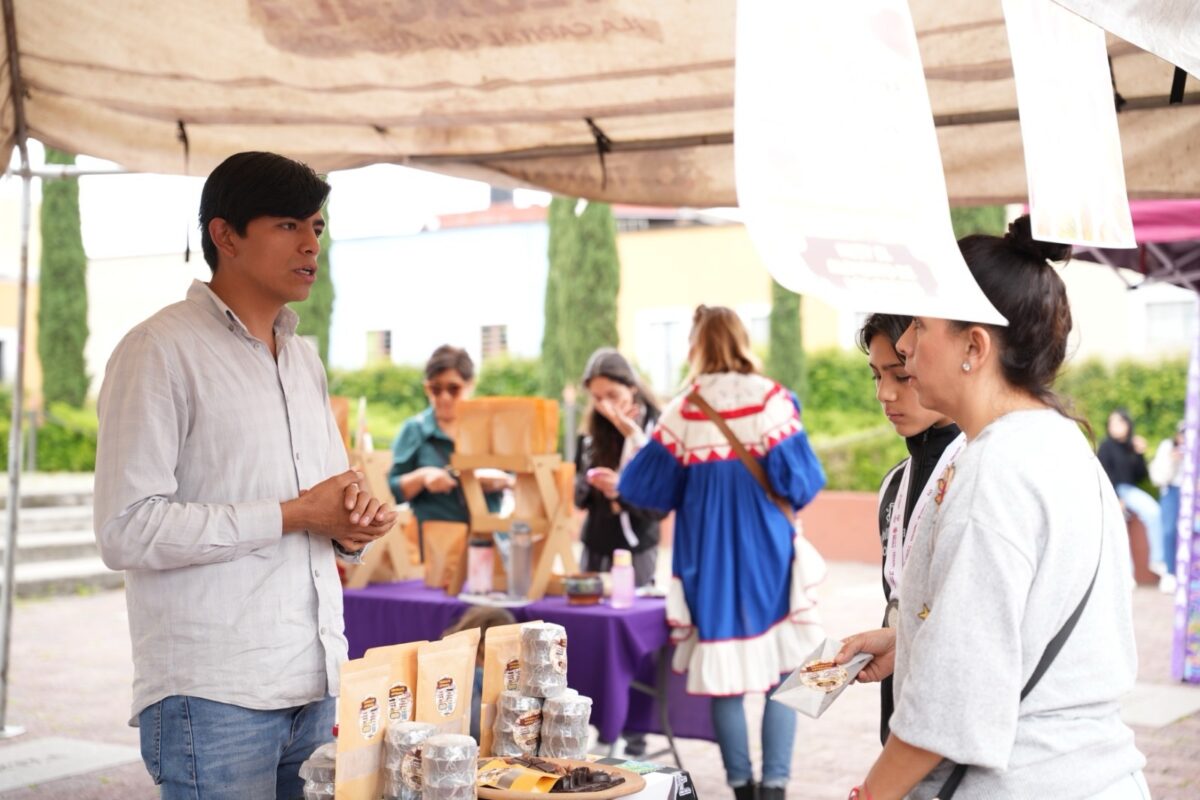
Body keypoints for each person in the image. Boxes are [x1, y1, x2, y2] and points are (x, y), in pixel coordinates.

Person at [94, 151, 398, 800]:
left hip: (315, 679)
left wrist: (351, 526)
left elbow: (326, 500)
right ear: (225, 236)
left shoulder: (303, 359)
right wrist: (294, 514)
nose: (311, 243)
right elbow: (126, 528)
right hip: (213, 693)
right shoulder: (158, 351)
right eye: (289, 224)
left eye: (317, 226)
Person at [838, 216, 1146, 800]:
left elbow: (953, 700)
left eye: (920, 327)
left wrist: (871, 794)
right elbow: (1021, 625)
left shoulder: (994, 472)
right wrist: (910, 643)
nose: (904, 345)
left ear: (974, 347)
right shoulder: (1055, 441)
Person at [619, 305, 826, 800]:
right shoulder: (772, 400)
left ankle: (742, 789)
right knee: (785, 672)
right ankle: (775, 788)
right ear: (741, 338)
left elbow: (642, 488)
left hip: (706, 561)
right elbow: (802, 482)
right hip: (769, 555)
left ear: (696, 345)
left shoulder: (684, 410)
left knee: (725, 679)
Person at [857, 313, 964, 746]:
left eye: (900, 375)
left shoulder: (978, 476)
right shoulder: (893, 484)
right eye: (876, 376)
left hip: (956, 730)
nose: (884, 394)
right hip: (901, 710)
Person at [388, 346, 511, 548]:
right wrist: (421, 477)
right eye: (436, 389)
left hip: (487, 546)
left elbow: (520, 480)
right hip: (436, 549)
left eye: (453, 389)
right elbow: (387, 489)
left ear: (470, 385)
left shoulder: (490, 429)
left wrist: (502, 481)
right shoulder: (414, 430)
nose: (444, 397)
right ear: (426, 388)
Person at [574, 347, 666, 587]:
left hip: (637, 547)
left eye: (612, 395)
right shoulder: (591, 432)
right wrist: (588, 483)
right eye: (597, 398)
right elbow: (578, 496)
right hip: (596, 543)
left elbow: (660, 503)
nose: (605, 406)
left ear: (632, 387)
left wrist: (623, 489)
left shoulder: (657, 428)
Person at [1100, 408, 1164, 576]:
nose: (1115, 426)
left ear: (1128, 424)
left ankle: (1157, 560)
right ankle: (1126, 573)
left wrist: (1140, 454)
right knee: (1118, 525)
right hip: (1113, 492)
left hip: (1130, 490)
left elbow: (1141, 476)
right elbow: (1104, 475)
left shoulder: (1131, 447)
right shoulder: (1105, 446)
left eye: (1119, 422)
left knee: (1154, 512)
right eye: (1112, 422)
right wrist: (1116, 498)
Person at [441, 606, 518, 742]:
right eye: (508, 646)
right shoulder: (473, 677)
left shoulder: (450, 664)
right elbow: (478, 730)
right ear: (483, 646)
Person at [1150, 421, 1185, 593]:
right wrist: (1173, 461)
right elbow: (1158, 478)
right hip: (1171, 490)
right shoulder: (1167, 447)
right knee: (1169, 530)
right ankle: (1170, 572)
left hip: (1193, 493)